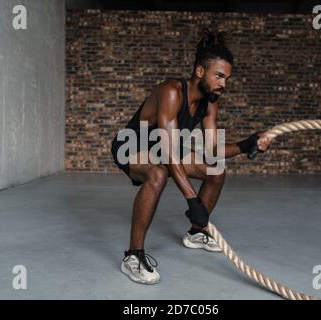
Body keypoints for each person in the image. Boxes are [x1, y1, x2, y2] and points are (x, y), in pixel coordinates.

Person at [111, 29, 273, 285]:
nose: (224, 84)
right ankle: (133, 256)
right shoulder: (172, 92)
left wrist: (247, 143)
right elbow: (168, 153)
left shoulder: (210, 103)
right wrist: (193, 201)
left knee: (215, 170)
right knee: (158, 173)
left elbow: (213, 151)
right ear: (200, 71)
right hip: (131, 146)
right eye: (219, 76)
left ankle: (196, 234)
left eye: (227, 78)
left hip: (163, 151)